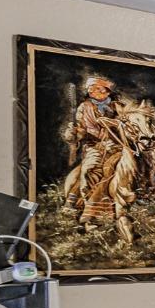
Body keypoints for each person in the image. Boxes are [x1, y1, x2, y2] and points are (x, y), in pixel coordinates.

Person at [64, 76, 124, 209]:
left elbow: (128, 126)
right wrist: (73, 133)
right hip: (95, 148)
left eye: (96, 88)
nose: (92, 91)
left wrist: (114, 124)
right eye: (90, 89)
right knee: (88, 170)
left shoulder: (118, 107)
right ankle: (90, 206)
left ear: (107, 91)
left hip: (118, 147)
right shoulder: (84, 107)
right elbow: (81, 131)